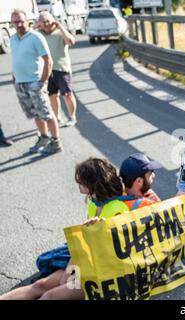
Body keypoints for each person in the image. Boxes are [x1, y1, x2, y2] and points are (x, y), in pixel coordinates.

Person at [0, 158, 128, 300]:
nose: (78, 184)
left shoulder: (118, 208)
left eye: (81, 182)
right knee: (40, 285)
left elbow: (118, 248)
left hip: (103, 270)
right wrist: (72, 267)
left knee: (50, 295)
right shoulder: (93, 201)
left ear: (93, 183)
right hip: (85, 258)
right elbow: (85, 242)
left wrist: (105, 227)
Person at [10, 9, 62, 155]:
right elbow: (16, 59)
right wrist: (14, 78)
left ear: (27, 20)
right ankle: (44, 137)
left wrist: (42, 82)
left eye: (21, 21)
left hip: (35, 82)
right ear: (12, 23)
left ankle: (56, 142)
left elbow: (48, 61)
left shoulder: (36, 37)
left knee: (47, 113)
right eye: (16, 22)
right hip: (20, 83)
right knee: (34, 113)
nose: (19, 24)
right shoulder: (13, 39)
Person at [37, 11, 77, 127]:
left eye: (47, 21)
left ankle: (72, 117)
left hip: (62, 68)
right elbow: (28, 37)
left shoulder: (60, 33)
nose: (46, 24)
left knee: (67, 94)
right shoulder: (39, 34)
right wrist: (35, 25)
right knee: (52, 95)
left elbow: (71, 42)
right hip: (47, 70)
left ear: (53, 21)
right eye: (43, 22)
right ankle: (57, 117)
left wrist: (60, 26)